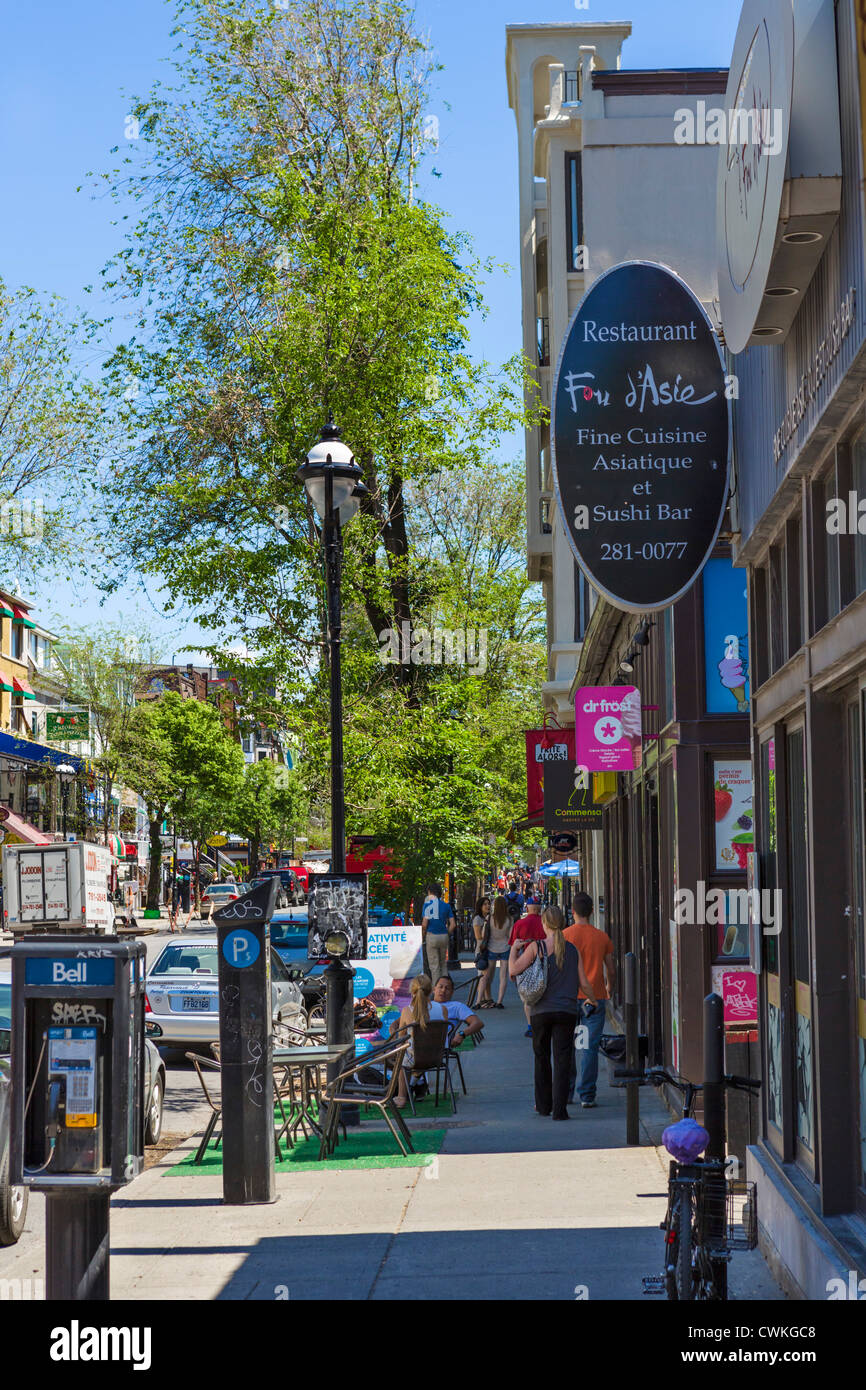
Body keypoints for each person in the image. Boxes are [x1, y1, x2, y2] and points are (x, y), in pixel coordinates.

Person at [509, 905, 596, 1121]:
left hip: (540, 1010)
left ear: (544, 923)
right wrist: (592, 998)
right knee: (563, 1058)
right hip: (566, 1010)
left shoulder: (535, 947)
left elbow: (513, 970)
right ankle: (560, 1110)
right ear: (563, 923)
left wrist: (513, 950)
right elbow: (584, 982)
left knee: (541, 1057)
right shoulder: (572, 949)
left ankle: (543, 1105)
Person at [564, 892, 616, 1108]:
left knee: (566, 1046)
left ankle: (566, 1092)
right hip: (594, 998)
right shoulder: (601, 936)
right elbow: (611, 970)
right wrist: (609, 987)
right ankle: (587, 1094)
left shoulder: (564, 935)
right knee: (588, 1047)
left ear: (573, 911)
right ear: (592, 911)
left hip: (568, 998)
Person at [390, 974, 448, 1107]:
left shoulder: (407, 1011)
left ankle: (401, 1097)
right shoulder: (442, 1009)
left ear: (412, 991)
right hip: (437, 1057)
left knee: (402, 1056)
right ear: (431, 990)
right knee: (411, 1053)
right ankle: (416, 1083)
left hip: (415, 1059)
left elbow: (400, 1040)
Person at [510, 899, 546, 1036]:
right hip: (544, 961)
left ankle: (531, 1026)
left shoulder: (520, 923)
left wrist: (513, 969)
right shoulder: (546, 923)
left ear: (528, 907)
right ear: (539, 908)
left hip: (526, 962)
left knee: (528, 996)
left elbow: (514, 947)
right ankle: (542, 1024)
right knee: (544, 993)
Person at [421, 882, 456, 984]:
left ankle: (437, 990)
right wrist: (447, 934)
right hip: (443, 936)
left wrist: (423, 936)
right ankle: (446, 986)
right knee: (443, 964)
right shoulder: (446, 906)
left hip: (431, 936)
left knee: (434, 966)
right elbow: (453, 924)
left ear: (430, 892)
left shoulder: (427, 905)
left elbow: (424, 924)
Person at [432, 975, 484, 1044]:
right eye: (440, 987)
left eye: (447, 988)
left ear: (452, 992)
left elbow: (478, 1023)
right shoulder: (425, 1004)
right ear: (434, 989)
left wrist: (461, 1034)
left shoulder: (456, 1006)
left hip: (440, 1044)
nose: (443, 990)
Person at [483, 895, 513, 1009]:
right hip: (505, 947)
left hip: (492, 947)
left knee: (489, 976)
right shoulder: (509, 919)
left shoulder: (490, 918)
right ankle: (500, 1001)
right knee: (503, 976)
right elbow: (510, 936)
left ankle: (487, 997)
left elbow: (484, 934)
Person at [472, 897, 493, 1006]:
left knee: (487, 977)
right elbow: (478, 936)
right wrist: (485, 924)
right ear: (480, 906)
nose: (487, 906)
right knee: (482, 976)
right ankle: (482, 1000)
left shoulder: (490, 918)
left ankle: (488, 998)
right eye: (485, 904)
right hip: (481, 951)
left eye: (488, 904)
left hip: (489, 950)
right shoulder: (478, 919)